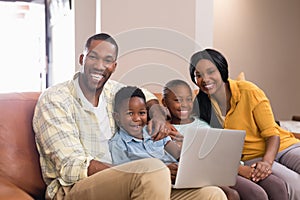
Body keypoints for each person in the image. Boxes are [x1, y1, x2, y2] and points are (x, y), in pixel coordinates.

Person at [32, 33, 226, 200]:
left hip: (133, 179)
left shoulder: (112, 91)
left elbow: (147, 97)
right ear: (82, 59)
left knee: (212, 194)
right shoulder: (55, 99)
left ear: (114, 66)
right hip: (76, 188)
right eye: (93, 57)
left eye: (107, 60)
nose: (100, 66)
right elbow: (71, 166)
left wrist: (158, 114)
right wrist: (135, 170)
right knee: (154, 170)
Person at [189, 48, 296, 200]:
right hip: (251, 156)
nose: (204, 79)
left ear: (222, 71)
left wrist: (267, 162)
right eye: (198, 75)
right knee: (295, 186)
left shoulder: (248, 91)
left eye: (210, 71)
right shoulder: (200, 106)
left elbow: (272, 134)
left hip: (282, 146)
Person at [109, 85, 227, 200]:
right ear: (117, 117)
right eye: (130, 113)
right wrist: (163, 172)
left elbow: (180, 155)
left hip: (176, 186)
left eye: (141, 113)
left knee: (214, 193)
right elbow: (125, 179)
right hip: (150, 190)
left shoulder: (155, 130)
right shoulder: (118, 144)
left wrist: (186, 162)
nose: (137, 118)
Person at [161, 79, 239, 200]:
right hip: (172, 179)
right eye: (177, 100)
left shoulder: (202, 127)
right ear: (164, 102)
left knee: (232, 194)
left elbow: (215, 157)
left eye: (189, 99)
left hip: (202, 174)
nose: (184, 104)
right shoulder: (160, 128)